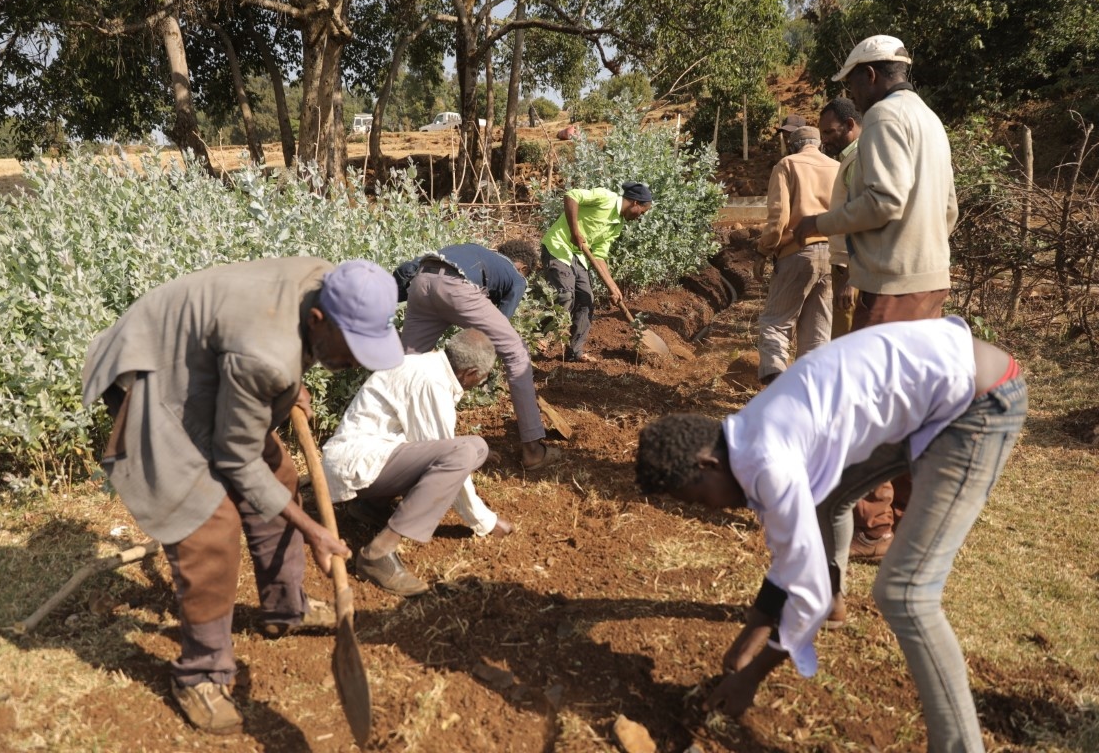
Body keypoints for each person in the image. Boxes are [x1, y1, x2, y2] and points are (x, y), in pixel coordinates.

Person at [635, 316, 1026, 751]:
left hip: (978, 402)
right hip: (936, 389)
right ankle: (841, 599)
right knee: (821, 503)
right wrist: (755, 628)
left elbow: (808, 594)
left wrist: (753, 674)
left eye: (694, 498)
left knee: (906, 594)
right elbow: (793, 549)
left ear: (706, 465)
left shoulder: (768, 463)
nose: (702, 509)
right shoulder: (746, 434)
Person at [81, 257, 404, 736]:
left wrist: (295, 378)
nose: (356, 361)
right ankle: (201, 673)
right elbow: (236, 459)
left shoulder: (331, 283)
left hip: (212, 356)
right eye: (352, 349)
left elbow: (272, 354)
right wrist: (312, 528)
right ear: (318, 320)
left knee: (281, 474)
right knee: (208, 524)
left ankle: (284, 606)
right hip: (158, 371)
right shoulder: (264, 354)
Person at [794, 35, 959, 561]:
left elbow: (884, 200)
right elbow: (948, 207)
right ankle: (908, 520)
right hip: (927, 279)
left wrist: (819, 223)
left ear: (870, 76)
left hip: (893, 285)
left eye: (850, 84)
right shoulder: (928, 119)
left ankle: (873, 529)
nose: (851, 97)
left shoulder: (887, 118)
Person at [323, 329, 509, 596]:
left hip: (365, 460)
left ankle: (370, 506)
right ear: (470, 373)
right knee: (465, 452)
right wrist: (485, 521)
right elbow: (451, 457)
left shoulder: (426, 366)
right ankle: (378, 553)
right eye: (482, 377)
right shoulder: (430, 382)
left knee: (475, 447)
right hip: (355, 464)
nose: (480, 382)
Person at [395, 241, 559, 470]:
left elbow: (404, 272)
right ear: (523, 267)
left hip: (422, 281)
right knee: (516, 353)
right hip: (456, 287)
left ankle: (396, 440)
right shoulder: (516, 275)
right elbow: (495, 332)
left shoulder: (475, 252)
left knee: (407, 366)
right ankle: (533, 450)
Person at [753, 126, 839, 385]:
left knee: (775, 324)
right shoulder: (837, 167)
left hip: (797, 251)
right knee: (817, 334)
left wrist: (764, 249)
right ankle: (808, 395)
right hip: (833, 254)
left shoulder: (787, 165)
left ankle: (776, 382)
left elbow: (779, 218)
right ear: (819, 144)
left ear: (793, 145)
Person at [540, 181, 654, 362]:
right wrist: (575, 231)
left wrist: (613, 287)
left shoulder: (616, 226)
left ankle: (574, 352)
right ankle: (540, 338)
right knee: (565, 295)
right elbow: (571, 196)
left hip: (578, 257)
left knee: (586, 300)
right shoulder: (605, 198)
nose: (640, 216)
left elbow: (599, 256)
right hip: (558, 246)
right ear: (635, 203)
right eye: (642, 211)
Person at [817, 98, 863, 338]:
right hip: (849, 266)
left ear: (849, 124)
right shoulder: (850, 158)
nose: (824, 139)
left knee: (847, 342)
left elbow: (864, 220)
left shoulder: (858, 160)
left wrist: (851, 277)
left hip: (850, 268)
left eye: (829, 132)